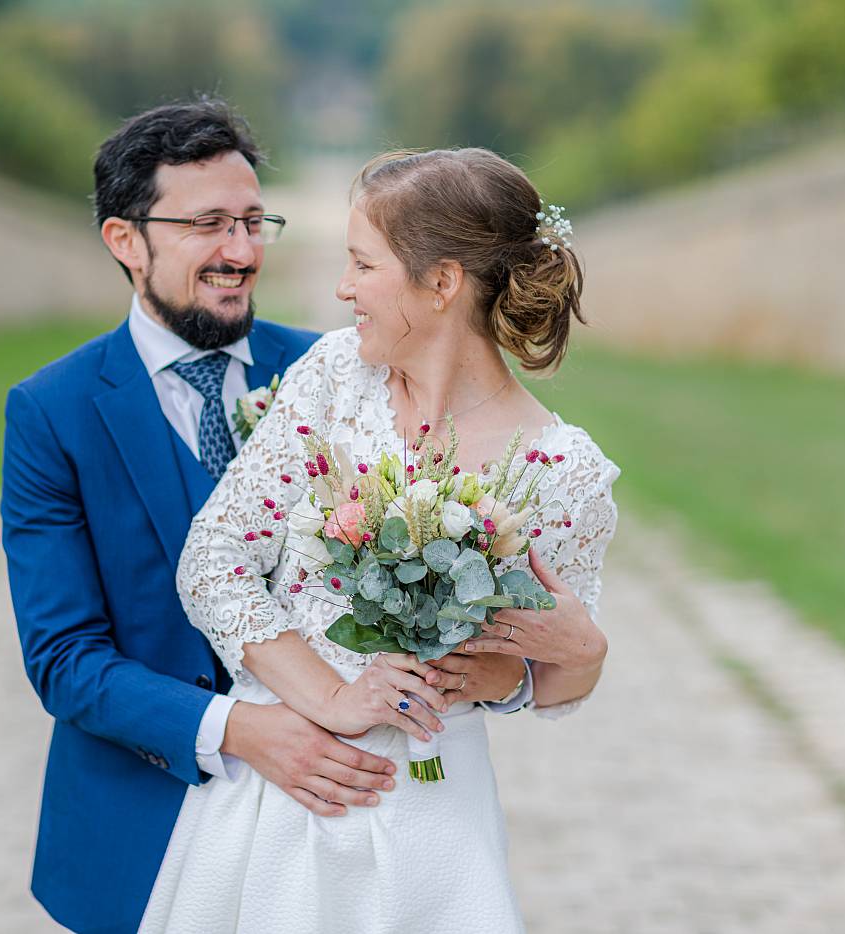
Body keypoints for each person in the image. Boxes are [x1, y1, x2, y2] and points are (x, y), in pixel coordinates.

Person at [0, 103, 527, 934]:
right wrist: (241, 730)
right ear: (125, 240)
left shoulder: (342, 365)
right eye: (207, 224)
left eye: (253, 221)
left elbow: (452, 560)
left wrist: (533, 668)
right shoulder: (52, 412)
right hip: (141, 824)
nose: (242, 252)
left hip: (343, 830)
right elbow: (64, 658)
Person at [141, 148, 619, 934]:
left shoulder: (563, 469)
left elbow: (544, 682)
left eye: (363, 265)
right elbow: (214, 562)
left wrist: (576, 653)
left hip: (437, 809)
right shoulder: (334, 378)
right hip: (290, 781)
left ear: (443, 282)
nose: (343, 288)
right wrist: (332, 699)